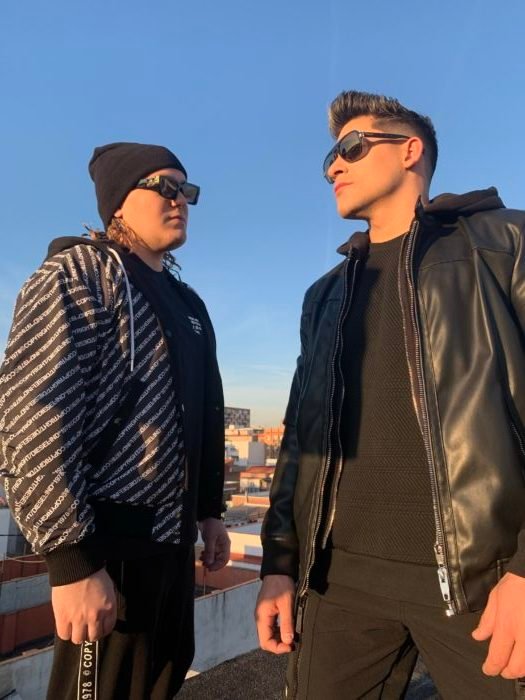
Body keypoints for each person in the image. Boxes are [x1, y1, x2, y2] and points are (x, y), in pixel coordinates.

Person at [255, 91, 525, 699]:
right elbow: (299, 439)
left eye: (351, 147)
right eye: (329, 156)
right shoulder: (324, 295)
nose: (333, 165)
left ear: (410, 150)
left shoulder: (505, 244)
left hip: (484, 585)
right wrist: (279, 565)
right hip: (338, 586)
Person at [0, 142, 230, 699]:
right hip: (106, 548)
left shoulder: (189, 305)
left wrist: (209, 511)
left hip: (171, 545)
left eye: (187, 190)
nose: (180, 200)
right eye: (165, 187)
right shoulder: (77, 275)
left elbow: (206, 411)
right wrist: (72, 561)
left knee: (161, 679)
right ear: (118, 202)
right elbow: (33, 414)